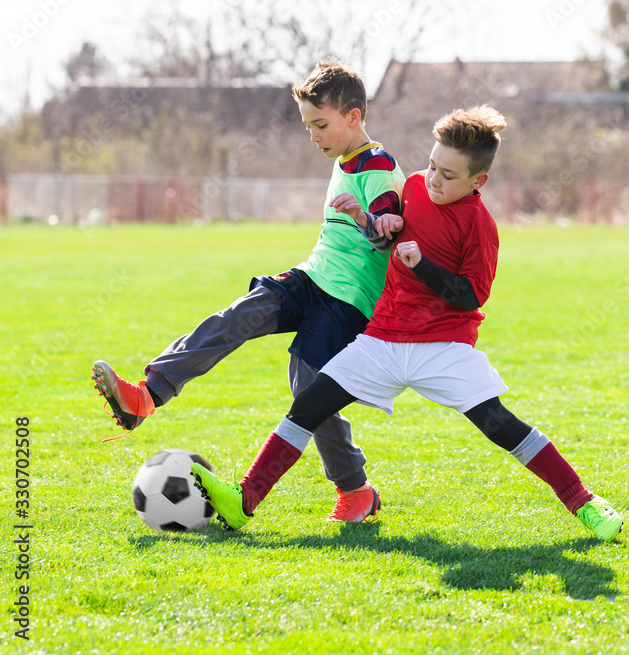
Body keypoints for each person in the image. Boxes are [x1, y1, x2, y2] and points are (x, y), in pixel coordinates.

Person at [191, 105, 624, 542]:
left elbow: (471, 295)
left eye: (449, 175)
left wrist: (423, 266)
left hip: (442, 346)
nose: (434, 179)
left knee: (500, 425)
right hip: (381, 339)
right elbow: (386, 237)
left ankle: (584, 502)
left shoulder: (480, 225)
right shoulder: (414, 186)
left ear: (479, 181)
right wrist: (368, 221)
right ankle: (244, 501)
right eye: (433, 165)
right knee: (308, 405)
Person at [91, 57, 406, 520]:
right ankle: (147, 395)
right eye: (307, 127)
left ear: (354, 117)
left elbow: (387, 232)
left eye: (320, 125)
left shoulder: (377, 164)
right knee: (240, 314)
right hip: (312, 277)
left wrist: (364, 219)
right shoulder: (345, 159)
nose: (312, 136)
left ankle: (355, 490)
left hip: (347, 301)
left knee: (309, 389)